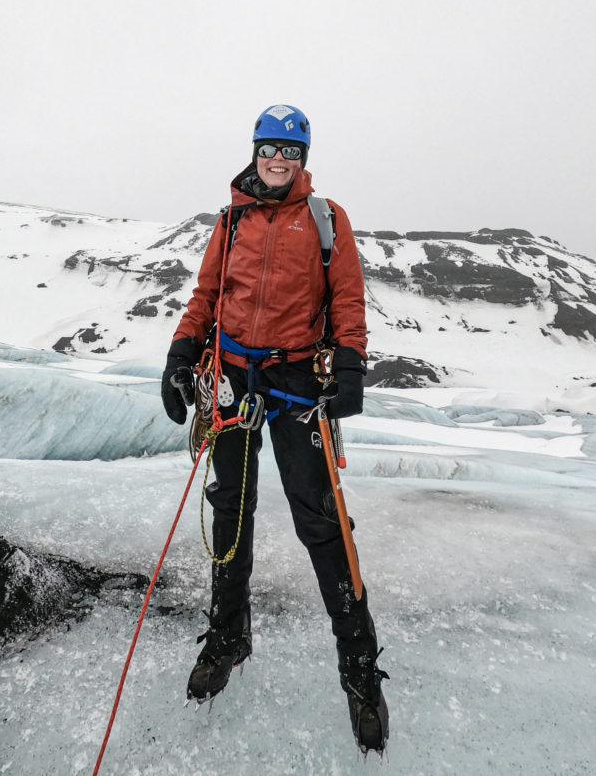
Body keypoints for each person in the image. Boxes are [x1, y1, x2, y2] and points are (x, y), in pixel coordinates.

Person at [160, 104, 388, 753]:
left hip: (296, 380)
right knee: (229, 507)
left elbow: (346, 297)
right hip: (231, 374)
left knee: (320, 519)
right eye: (268, 148)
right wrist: (181, 352)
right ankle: (228, 636)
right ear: (255, 152)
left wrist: (350, 363)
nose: (277, 159)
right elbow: (206, 295)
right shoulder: (231, 219)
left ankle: (359, 667)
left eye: (289, 150)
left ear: (302, 158)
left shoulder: (324, 218)